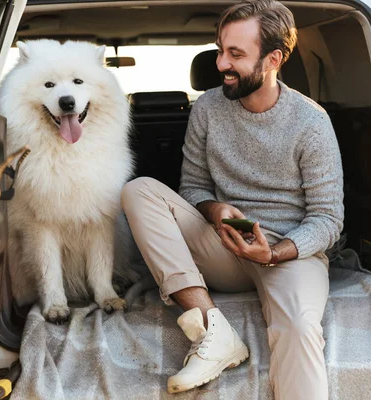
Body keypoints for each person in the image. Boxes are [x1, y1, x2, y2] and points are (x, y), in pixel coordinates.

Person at [121, 0, 344, 398]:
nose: (221, 63)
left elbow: (328, 220)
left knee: (299, 329)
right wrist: (215, 208)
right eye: (221, 50)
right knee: (139, 190)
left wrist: (276, 254)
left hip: (290, 255)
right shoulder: (206, 108)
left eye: (235, 54)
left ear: (273, 58)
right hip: (223, 246)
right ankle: (212, 331)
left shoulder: (311, 122)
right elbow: (192, 188)